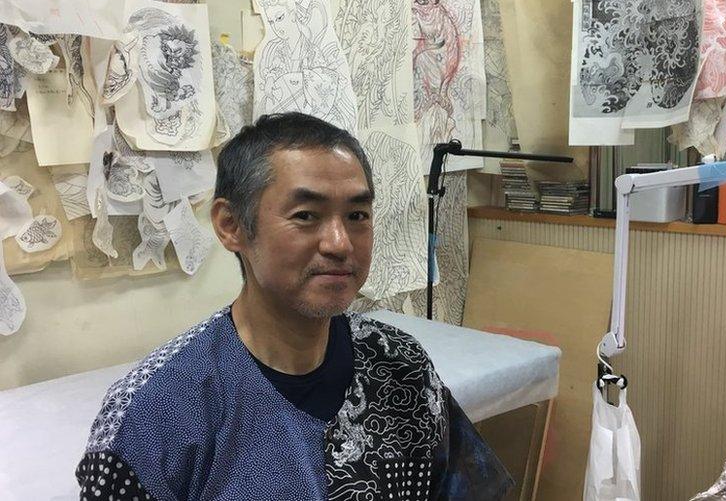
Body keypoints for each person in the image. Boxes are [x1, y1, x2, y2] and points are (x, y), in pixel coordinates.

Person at [75, 112, 512, 500]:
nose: (340, 244)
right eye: (306, 215)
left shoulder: (399, 365)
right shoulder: (157, 414)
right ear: (231, 226)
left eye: (357, 216)